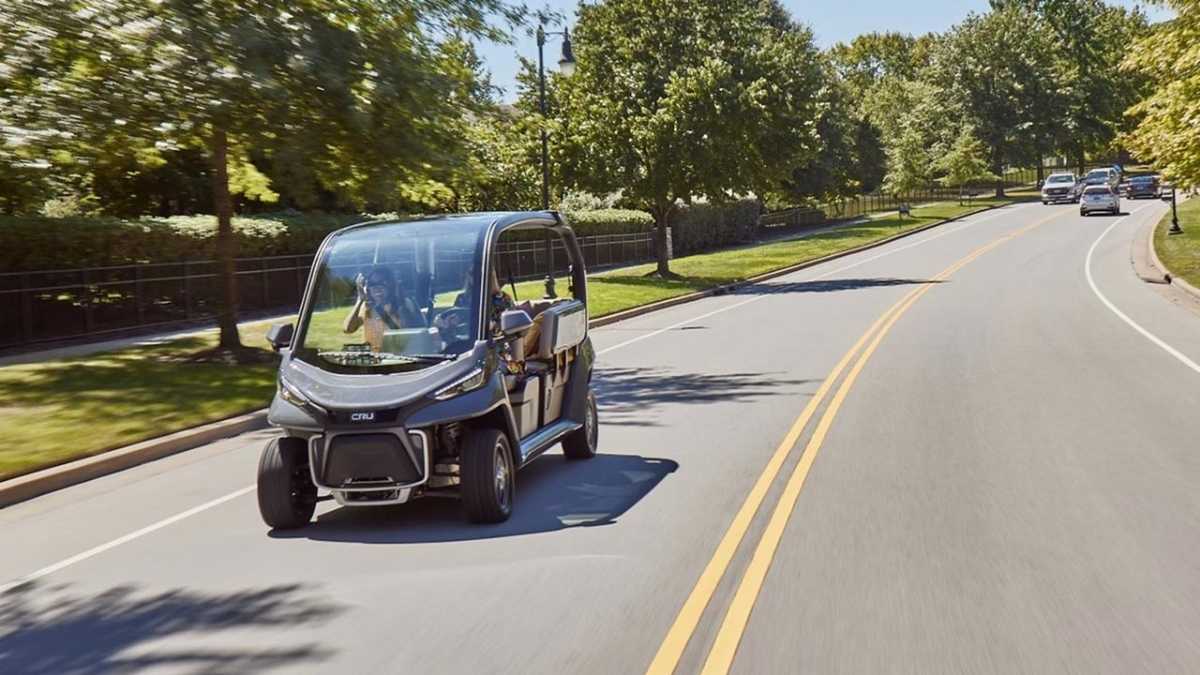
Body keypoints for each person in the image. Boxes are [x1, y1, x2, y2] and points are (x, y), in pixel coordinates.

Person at [343, 266, 425, 351]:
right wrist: (360, 300)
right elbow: (348, 329)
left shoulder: (405, 303)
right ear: (367, 288)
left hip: (399, 358)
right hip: (374, 360)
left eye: (382, 283)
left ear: (392, 285)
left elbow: (415, 333)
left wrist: (400, 303)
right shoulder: (367, 307)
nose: (377, 289)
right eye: (372, 284)